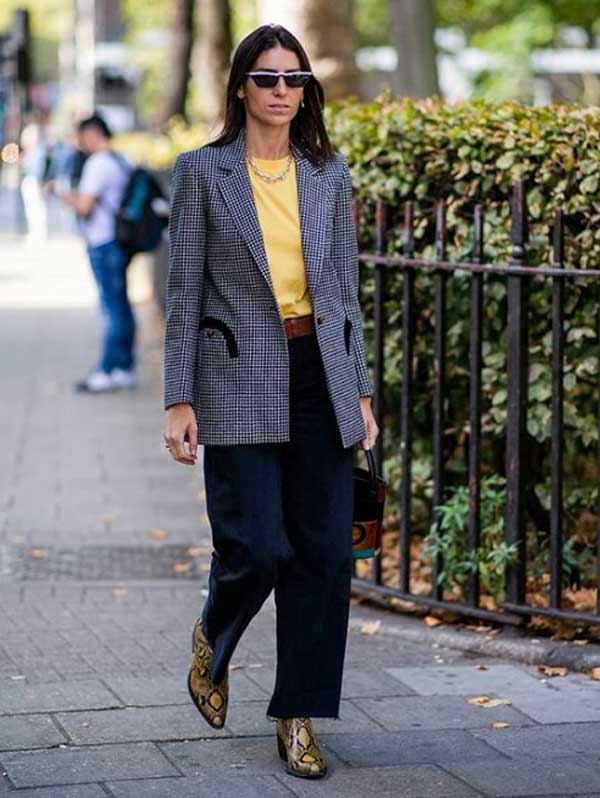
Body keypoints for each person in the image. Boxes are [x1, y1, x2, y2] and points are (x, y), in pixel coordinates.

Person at [162, 23, 379, 779]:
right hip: (234, 376)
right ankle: (214, 632)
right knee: (257, 547)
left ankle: (298, 715)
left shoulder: (329, 173)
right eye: (267, 78)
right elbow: (184, 287)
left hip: (320, 372)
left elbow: (346, 295)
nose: (282, 90)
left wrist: (360, 389)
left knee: (322, 554)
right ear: (240, 87)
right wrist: (176, 397)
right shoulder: (203, 171)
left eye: (294, 78)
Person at [58, 114, 137, 393]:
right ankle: (124, 367)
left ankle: (106, 370)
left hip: (103, 242)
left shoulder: (98, 163)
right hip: (120, 241)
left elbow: (85, 207)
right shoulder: (121, 160)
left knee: (111, 309)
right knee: (122, 306)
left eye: (82, 137)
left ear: (92, 134)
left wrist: (62, 195)